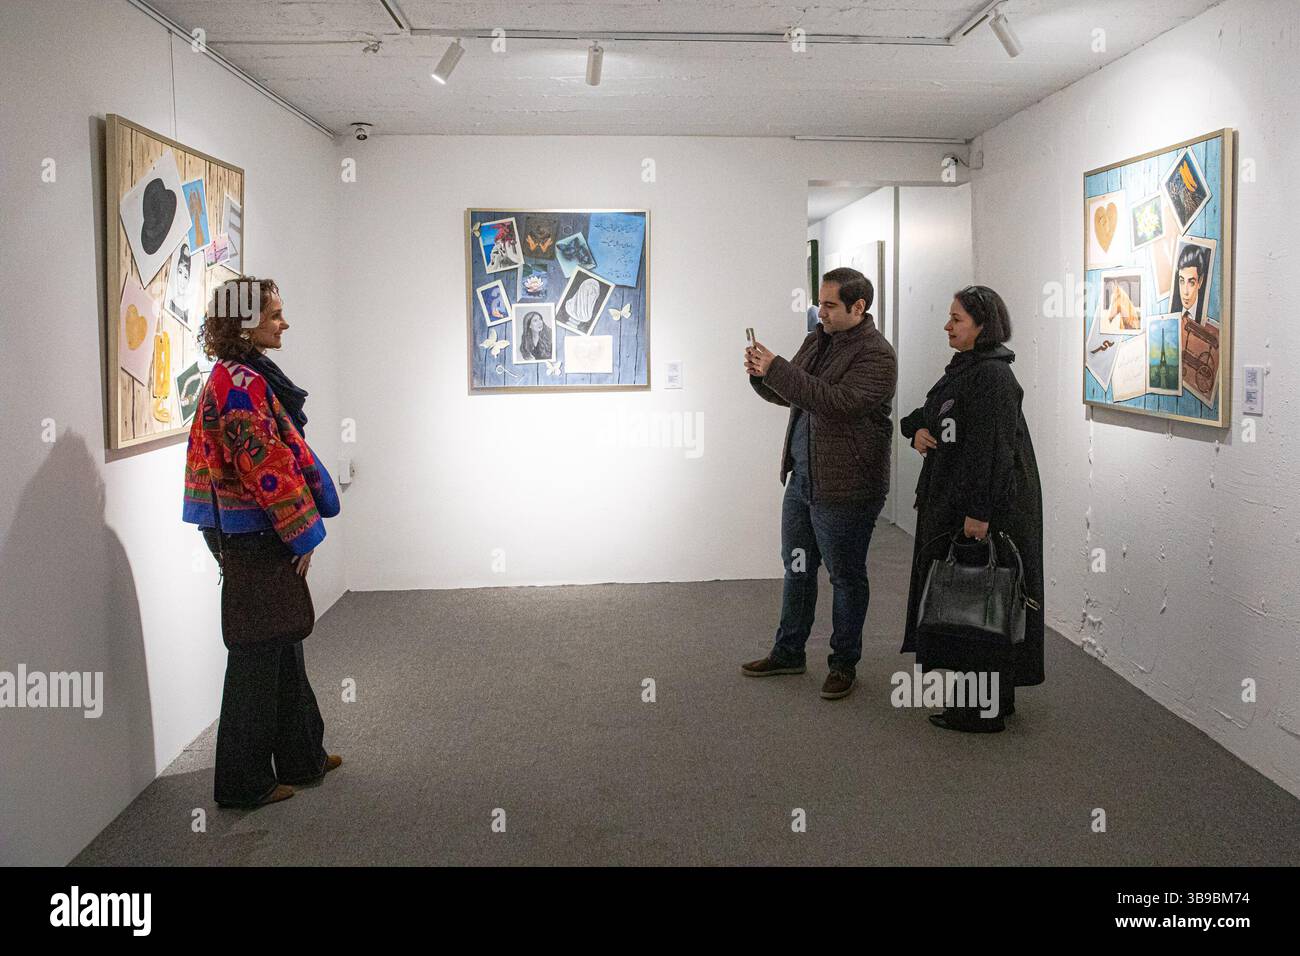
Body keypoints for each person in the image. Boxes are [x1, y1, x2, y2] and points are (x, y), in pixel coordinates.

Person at [183, 276, 342, 808]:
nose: (284, 322)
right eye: (275, 314)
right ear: (246, 322)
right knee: (256, 655)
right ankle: (243, 782)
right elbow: (266, 467)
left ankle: (302, 755)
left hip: (254, 529)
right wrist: (301, 534)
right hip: (256, 532)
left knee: (282, 642)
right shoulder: (240, 385)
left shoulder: (241, 376)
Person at [741, 267, 898, 700]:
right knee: (796, 566)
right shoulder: (818, 338)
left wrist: (779, 369)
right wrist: (762, 374)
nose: (820, 311)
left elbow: (837, 403)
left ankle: (843, 663)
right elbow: (795, 393)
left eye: (829, 305)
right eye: (820, 302)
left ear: (858, 307)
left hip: (848, 485)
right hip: (804, 477)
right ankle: (789, 651)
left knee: (846, 577)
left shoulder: (876, 355)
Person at [899, 285, 1044, 733]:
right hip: (956, 499)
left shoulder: (993, 377)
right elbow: (927, 415)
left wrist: (979, 515)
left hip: (983, 507)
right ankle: (991, 700)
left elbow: (994, 452)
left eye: (956, 319)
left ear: (983, 326)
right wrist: (917, 431)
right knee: (974, 596)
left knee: (978, 599)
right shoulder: (967, 369)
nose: (947, 325)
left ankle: (980, 709)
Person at [1174, 243, 1210, 323]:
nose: (1185, 292)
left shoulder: (1205, 315)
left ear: (1200, 282)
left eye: (1191, 283)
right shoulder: (1173, 309)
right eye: (1182, 281)